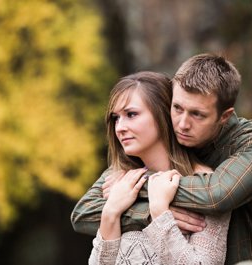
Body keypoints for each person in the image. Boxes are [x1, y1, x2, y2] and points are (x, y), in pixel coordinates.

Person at [73, 54, 252, 264]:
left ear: (224, 116)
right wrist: (138, 210)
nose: (182, 124)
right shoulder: (132, 167)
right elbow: (84, 213)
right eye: (177, 108)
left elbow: (216, 194)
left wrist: (146, 191)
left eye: (197, 114)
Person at [88, 71, 229, 264]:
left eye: (131, 114)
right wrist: (111, 212)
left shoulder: (206, 185)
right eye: (116, 118)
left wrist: (159, 211)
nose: (119, 127)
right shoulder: (121, 183)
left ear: (163, 113)